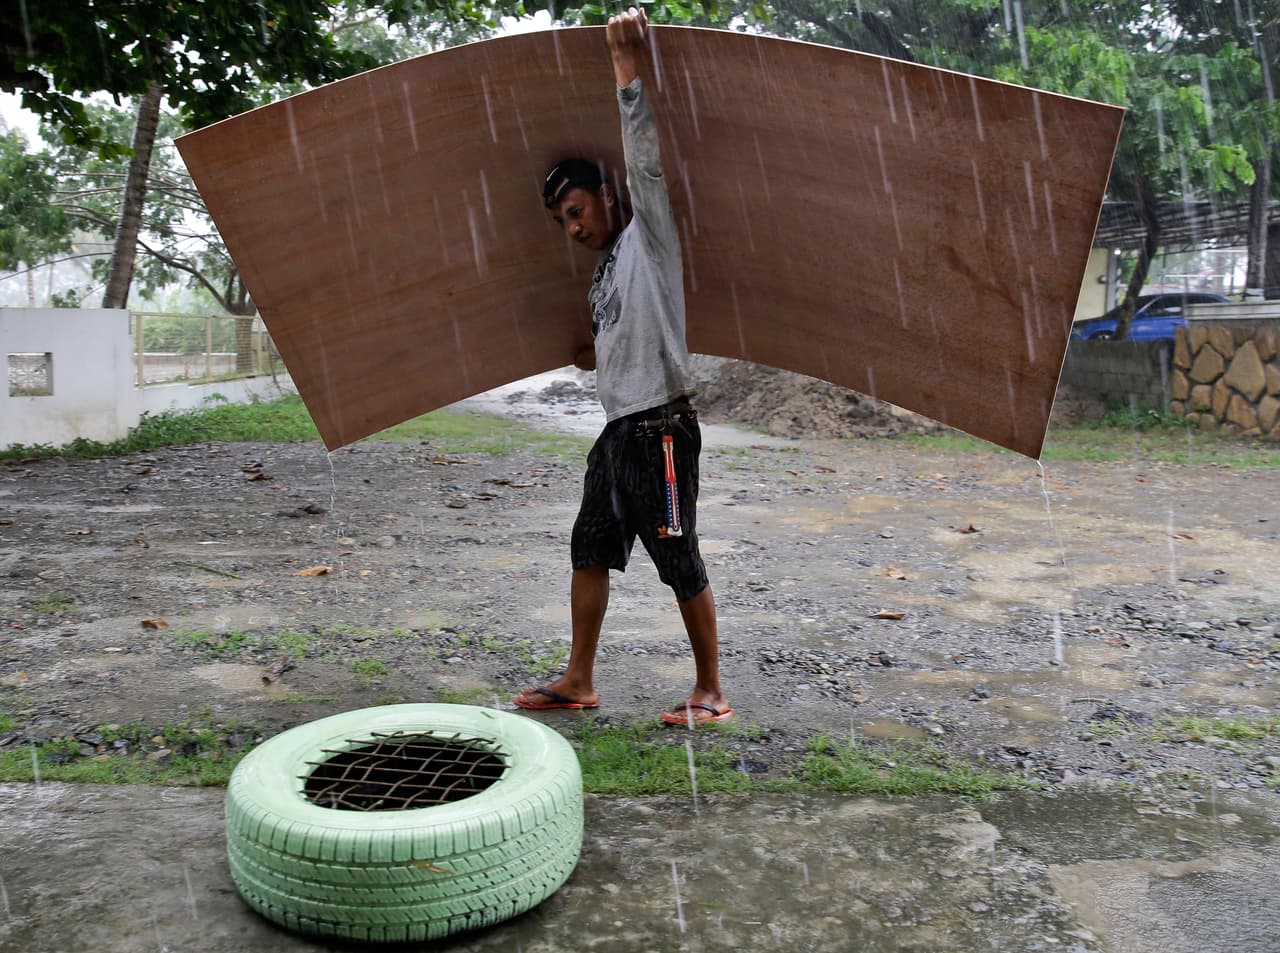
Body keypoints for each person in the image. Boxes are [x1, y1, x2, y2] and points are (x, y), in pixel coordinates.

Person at [512, 7, 732, 726]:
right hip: (616, 432)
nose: (573, 228)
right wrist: (592, 354)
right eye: (562, 222)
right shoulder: (605, 272)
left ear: (605, 194)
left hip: (663, 431)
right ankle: (578, 678)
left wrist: (626, 65)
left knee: (679, 557)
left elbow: (642, 152)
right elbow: (624, 337)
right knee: (589, 547)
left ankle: (711, 689)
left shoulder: (650, 235)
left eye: (577, 210)